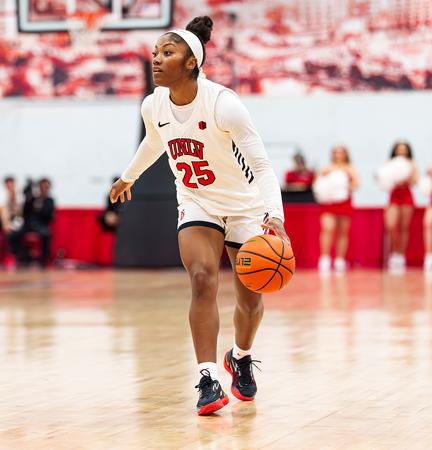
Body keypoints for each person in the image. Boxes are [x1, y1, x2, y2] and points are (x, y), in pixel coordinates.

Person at [108, 16, 289, 416]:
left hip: (245, 207)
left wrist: (274, 216)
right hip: (197, 201)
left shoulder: (225, 105)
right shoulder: (152, 105)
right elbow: (155, 143)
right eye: (155, 53)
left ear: (192, 62)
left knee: (250, 299)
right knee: (202, 278)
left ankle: (240, 356)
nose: (156, 60)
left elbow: (262, 167)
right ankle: (208, 378)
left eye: (167, 53)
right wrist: (127, 177)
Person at [317, 145, 358, 273]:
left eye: (341, 152)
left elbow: (356, 184)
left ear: (346, 154)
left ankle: (340, 260)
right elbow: (318, 183)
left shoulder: (351, 169)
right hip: (329, 203)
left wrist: (344, 186)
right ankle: (324, 259)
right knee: (327, 229)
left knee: (342, 232)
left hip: (344, 202)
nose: (338, 155)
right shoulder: (326, 168)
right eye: (336, 152)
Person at [384, 141, 418, 272]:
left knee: (404, 226)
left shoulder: (412, 163)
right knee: (391, 225)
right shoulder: (389, 163)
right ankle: (393, 252)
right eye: (399, 149)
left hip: (406, 195)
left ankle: (400, 254)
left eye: (404, 150)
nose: (402, 152)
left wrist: (405, 178)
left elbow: (414, 180)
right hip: (394, 196)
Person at [8, 178, 55, 267]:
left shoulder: (49, 200)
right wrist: (28, 197)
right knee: (13, 236)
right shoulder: (33, 199)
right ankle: (24, 256)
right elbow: (25, 212)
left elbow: (48, 216)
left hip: (42, 225)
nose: (43, 189)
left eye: (46, 187)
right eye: (41, 187)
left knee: (46, 235)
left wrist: (40, 207)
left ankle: (43, 260)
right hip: (29, 224)